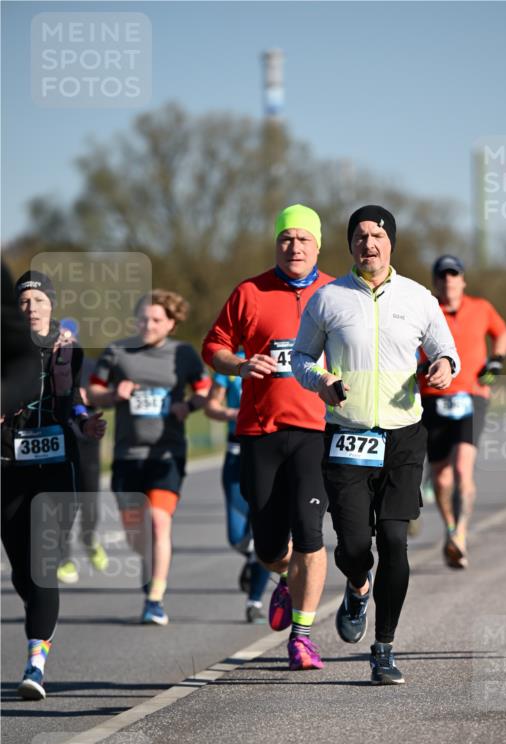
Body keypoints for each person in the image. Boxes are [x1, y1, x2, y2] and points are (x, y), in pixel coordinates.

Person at [292, 205, 460, 685]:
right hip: (346, 435)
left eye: (379, 236)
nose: (370, 243)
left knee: (394, 541)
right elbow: (301, 356)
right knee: (353, 547)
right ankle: (357, 586)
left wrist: (444, 367)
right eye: (361, 236)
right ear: (350, 245)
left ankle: (383, 648)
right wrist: (321, 380)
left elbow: (447, 350)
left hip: (404, 435)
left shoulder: (419, 297)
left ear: (392, 243)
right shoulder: (328, 299)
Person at [202, 205, 333, 670]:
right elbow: (212, 346)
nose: (294, 246)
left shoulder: (336, 293)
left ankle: (302, 636)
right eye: (286, 239)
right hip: (260, 432)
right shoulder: (250, 292)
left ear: (318, 244)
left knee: (312, 535)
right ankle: (284, 577)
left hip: (316, 432)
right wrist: (239, 364)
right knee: (270, 546)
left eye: (303, 239)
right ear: (276, 244)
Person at [2, 270, 106, 699]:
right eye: (24, 302)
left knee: (44, 568)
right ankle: (39, 621)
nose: (31, 308)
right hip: (8, 466)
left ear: (50, 305)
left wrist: (86, 421)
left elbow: (72, 400)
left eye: (39, 301)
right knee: (23, 574)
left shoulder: (68, 349)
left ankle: (35, 665)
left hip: (57, 466)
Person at [88, 289, 211, 625]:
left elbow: (203, 388)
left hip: (167, 453)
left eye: (157, 319)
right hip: (128, 455)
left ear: (172, 323)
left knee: (158, 521)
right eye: (143, 317)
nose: (148, 324)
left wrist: (188, 405)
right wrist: (115, 393)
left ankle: (154, 599)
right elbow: (93, 391)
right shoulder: (117, 352)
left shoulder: (183, 354)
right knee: (135, 533)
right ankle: (150, 573)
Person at [418, 254, 506, 569]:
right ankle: (450, 529)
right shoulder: (426, 310)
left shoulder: (481, 307)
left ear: (463, 279)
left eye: (454, 274)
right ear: (435, 281)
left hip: (472, 396)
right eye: (442, 275)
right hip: (433, 397)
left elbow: (502, 333)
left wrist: (496, 360)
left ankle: (461, 535)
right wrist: (419, 364)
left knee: (462, 468)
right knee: (442, 479)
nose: (448, 280)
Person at [204, 368, 271, 622]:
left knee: (266, 533)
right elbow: (211, 406)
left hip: (269, 452)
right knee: (236, 537)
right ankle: (256, 556)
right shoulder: (232, 365)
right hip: (236, 453)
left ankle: (254, 601)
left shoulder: (278, 356)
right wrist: (231, 413)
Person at [56, 318, 109, 584]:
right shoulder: (45, 364)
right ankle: (63, 558)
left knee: (89, 502)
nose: (65, 340)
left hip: (87, 445)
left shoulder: (88, 366)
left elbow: (104, 396)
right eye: (60, 336)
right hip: (59, 443)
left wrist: (92, 398)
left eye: (69, 337)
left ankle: (89, 537)